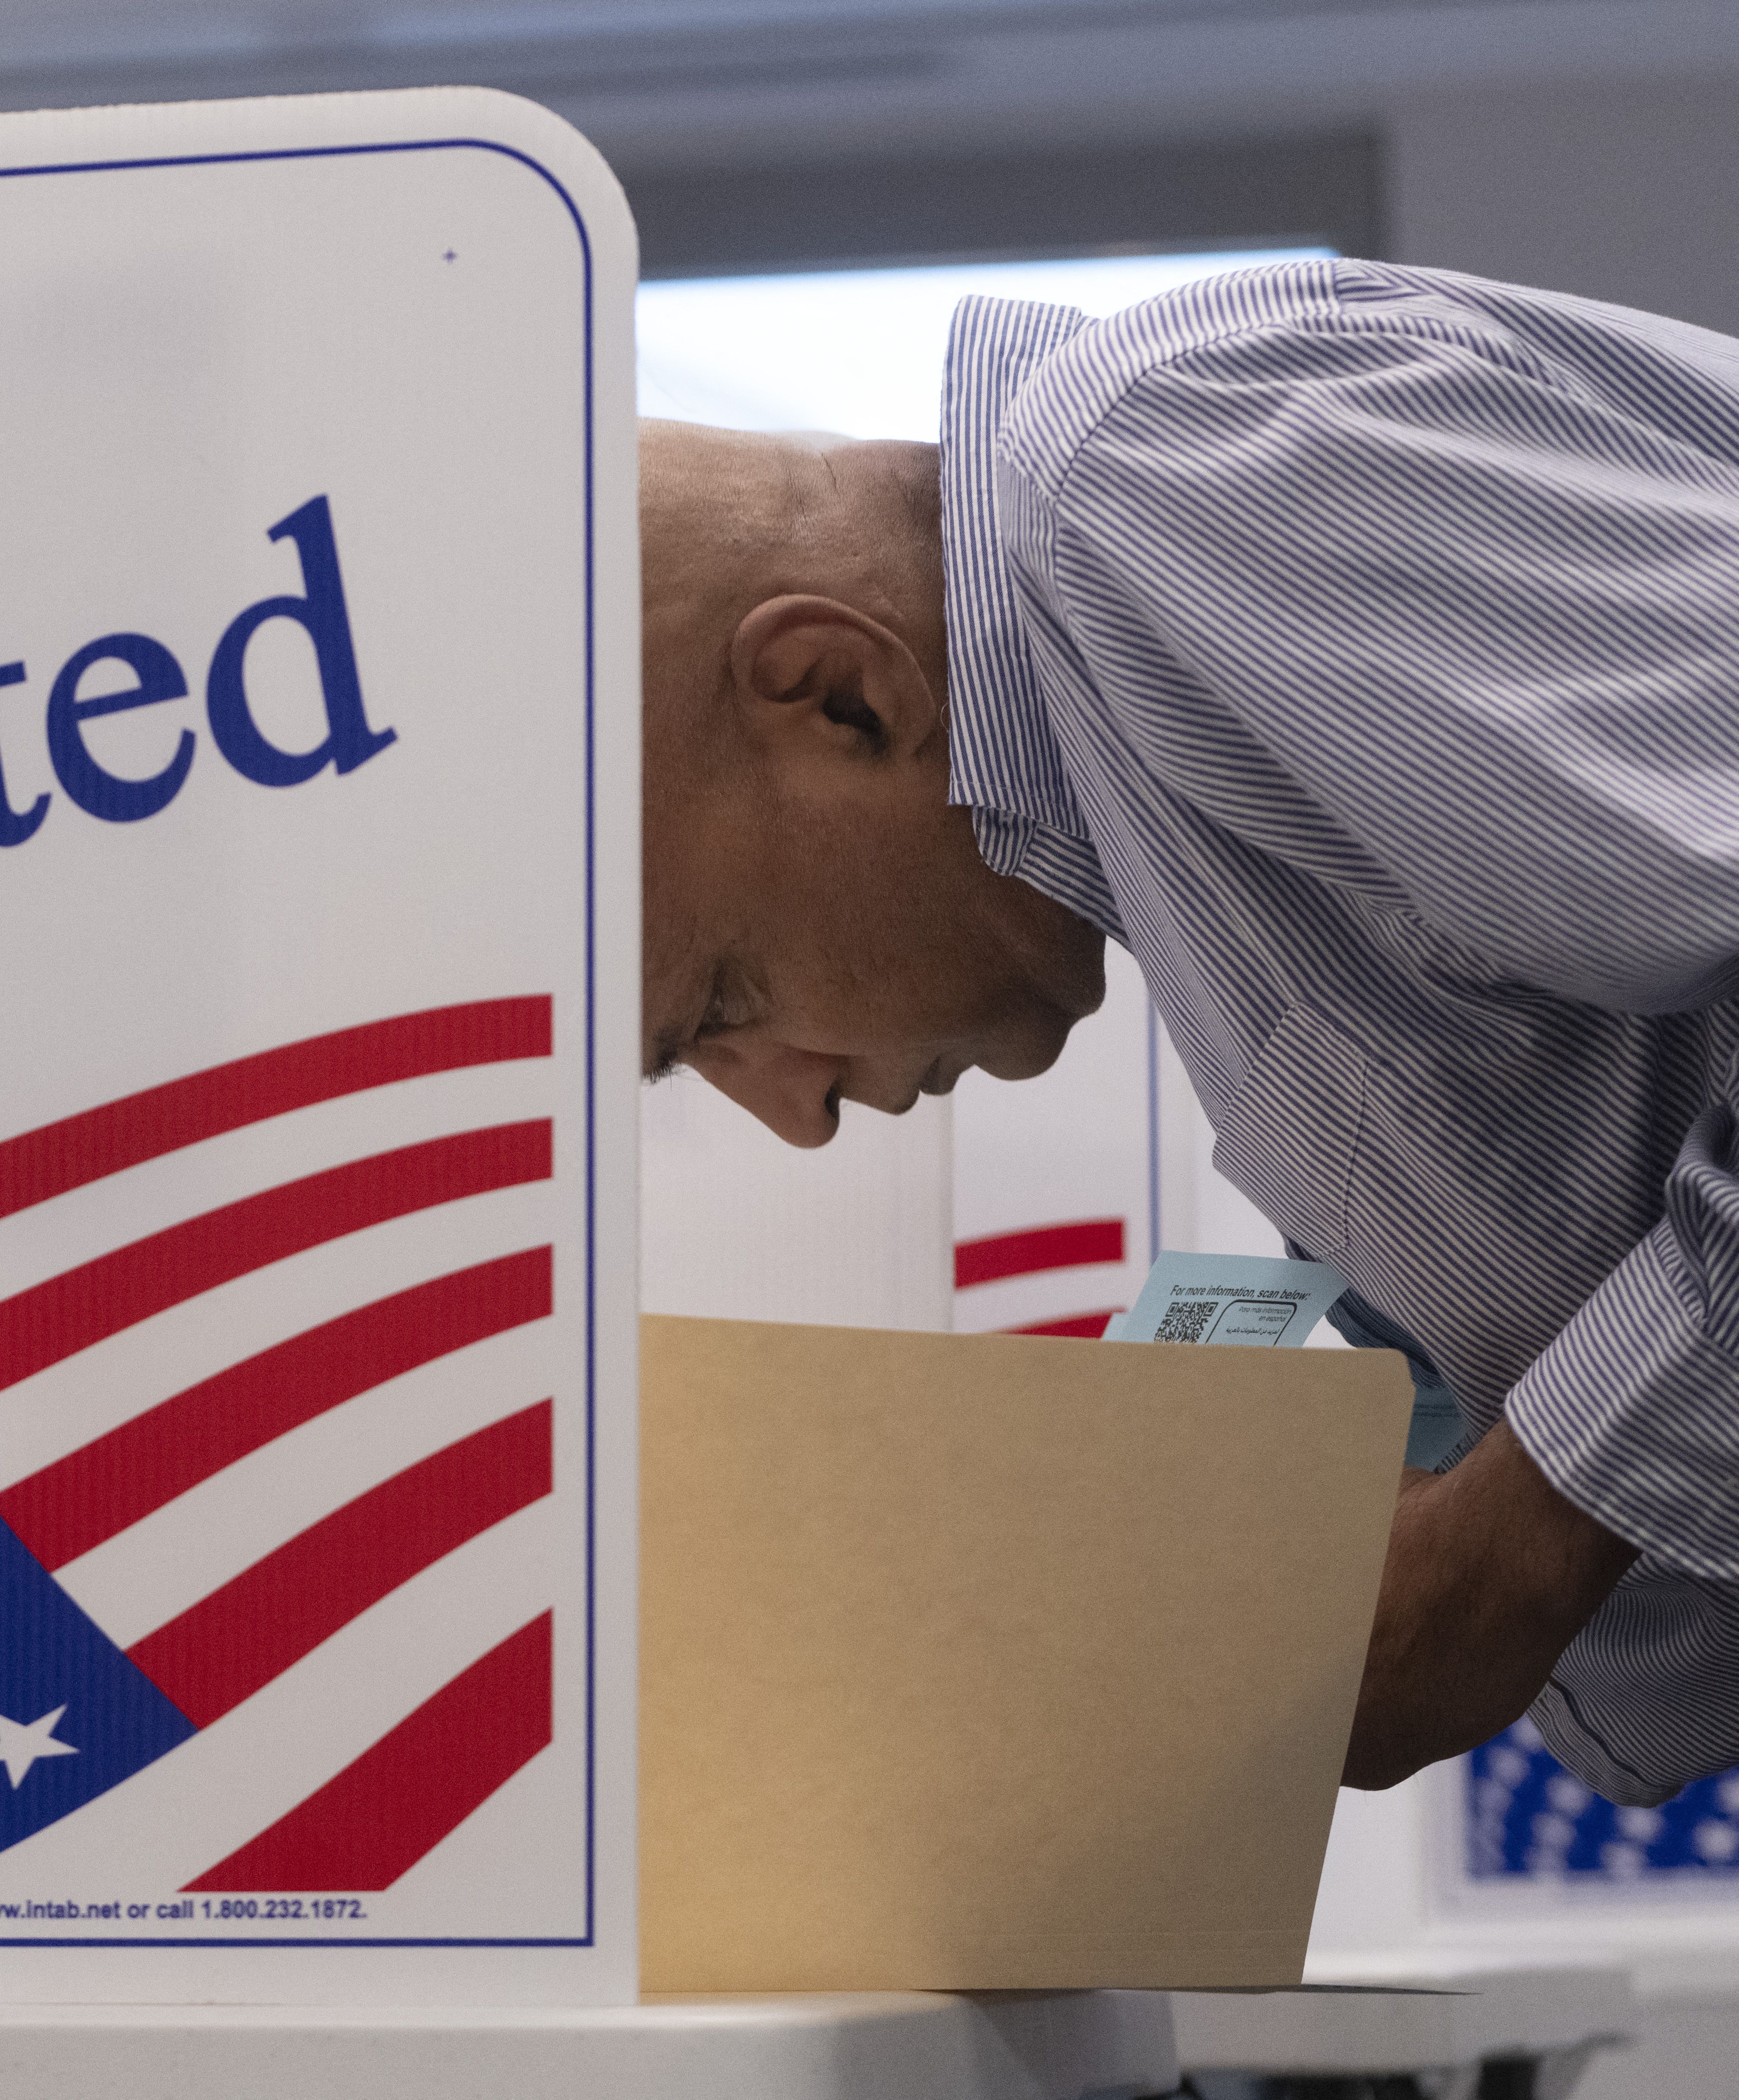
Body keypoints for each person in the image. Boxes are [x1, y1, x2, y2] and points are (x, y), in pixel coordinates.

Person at [641, 257, 1739, 1805]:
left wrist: (1523, 1530)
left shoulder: (1161, 477)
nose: (793, 1112)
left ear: (838, 696)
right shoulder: (1174, 809)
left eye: (723, 1008)